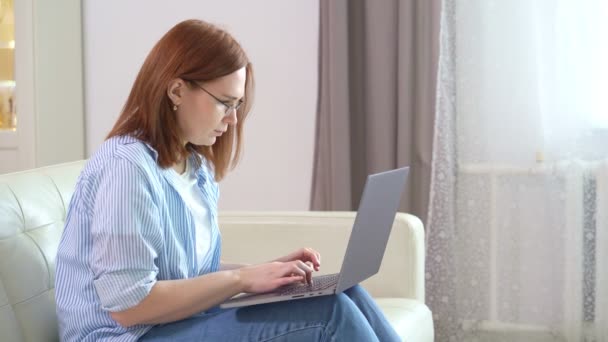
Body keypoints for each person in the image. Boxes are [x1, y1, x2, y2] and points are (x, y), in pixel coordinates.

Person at [55, 19, 401, 342]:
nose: (233, 120)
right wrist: (242, 279)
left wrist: (267, 272)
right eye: (225, 103)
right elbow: (130, 306)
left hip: (177, 324)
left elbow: (187, 274)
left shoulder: (194, 167)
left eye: (237, 105)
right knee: (330, 313)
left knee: (344, 291)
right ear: (176, 91)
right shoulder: (126, 167)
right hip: (130, 336)